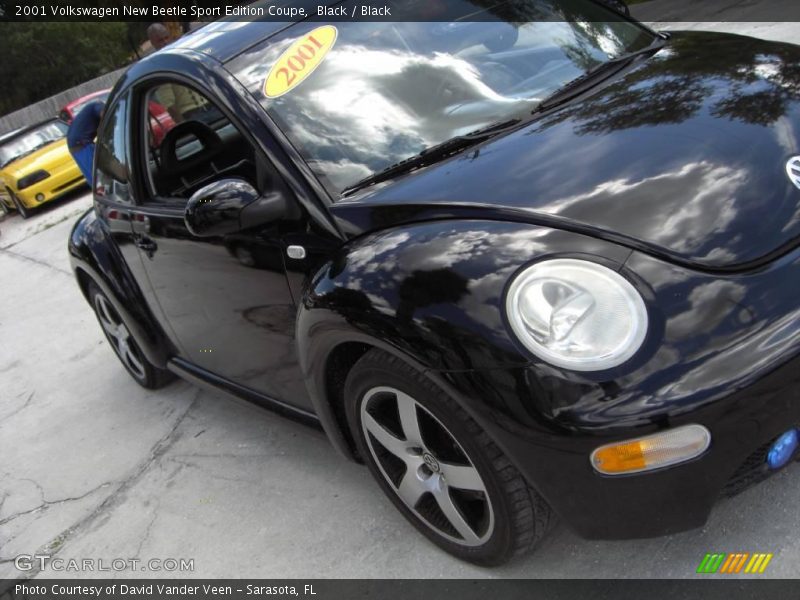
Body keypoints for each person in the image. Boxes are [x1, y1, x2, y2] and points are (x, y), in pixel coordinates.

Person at [67, 101, 103, 185]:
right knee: (99, 176)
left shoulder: (91, 109)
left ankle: (100, 191)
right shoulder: (98, 105)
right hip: (81, 143)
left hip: (75, 145)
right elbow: (103, 113)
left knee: (94, 177)